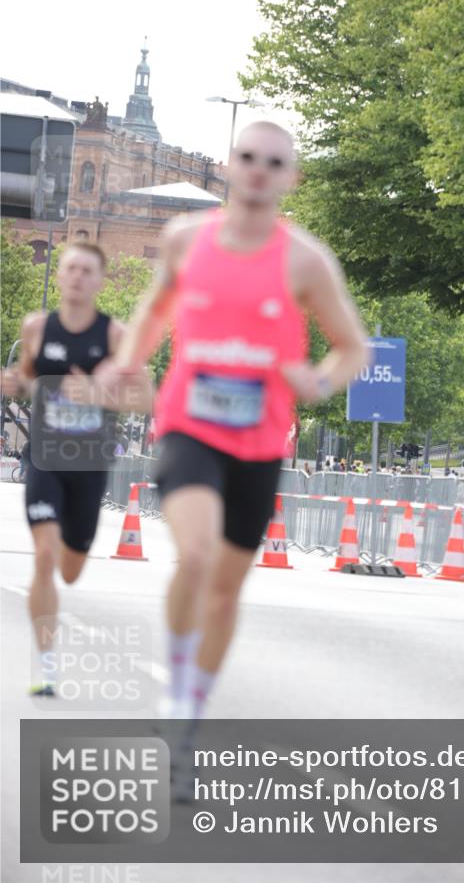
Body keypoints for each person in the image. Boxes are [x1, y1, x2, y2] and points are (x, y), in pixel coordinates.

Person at [101, 120, 369, 719]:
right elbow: (153, 310)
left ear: (290, 178)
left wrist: (320, 380)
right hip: (188, 425)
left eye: (273, 162)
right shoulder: (185, 238)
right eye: (247, 156)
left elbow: (353, 347)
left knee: (224, 591)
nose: (257, 169)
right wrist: (127, 362)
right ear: (227, 165)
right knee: (194, 556)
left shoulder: (306, 260)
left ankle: (194, 703)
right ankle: (174, 686)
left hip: (260, 439)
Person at [0, 243, 152, 697]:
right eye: (71, 269)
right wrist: (15, 383)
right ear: (61, 275)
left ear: (100, 281)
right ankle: (46, 667)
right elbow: (27, 379)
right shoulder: (36, 327)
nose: (78, 277)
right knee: (44, 558)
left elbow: (146, 398)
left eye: (88, 271)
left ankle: (73, 555)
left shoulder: (114, 336)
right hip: (45, 459)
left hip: (89, 464)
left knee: (70, 569)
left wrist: (97, 393)